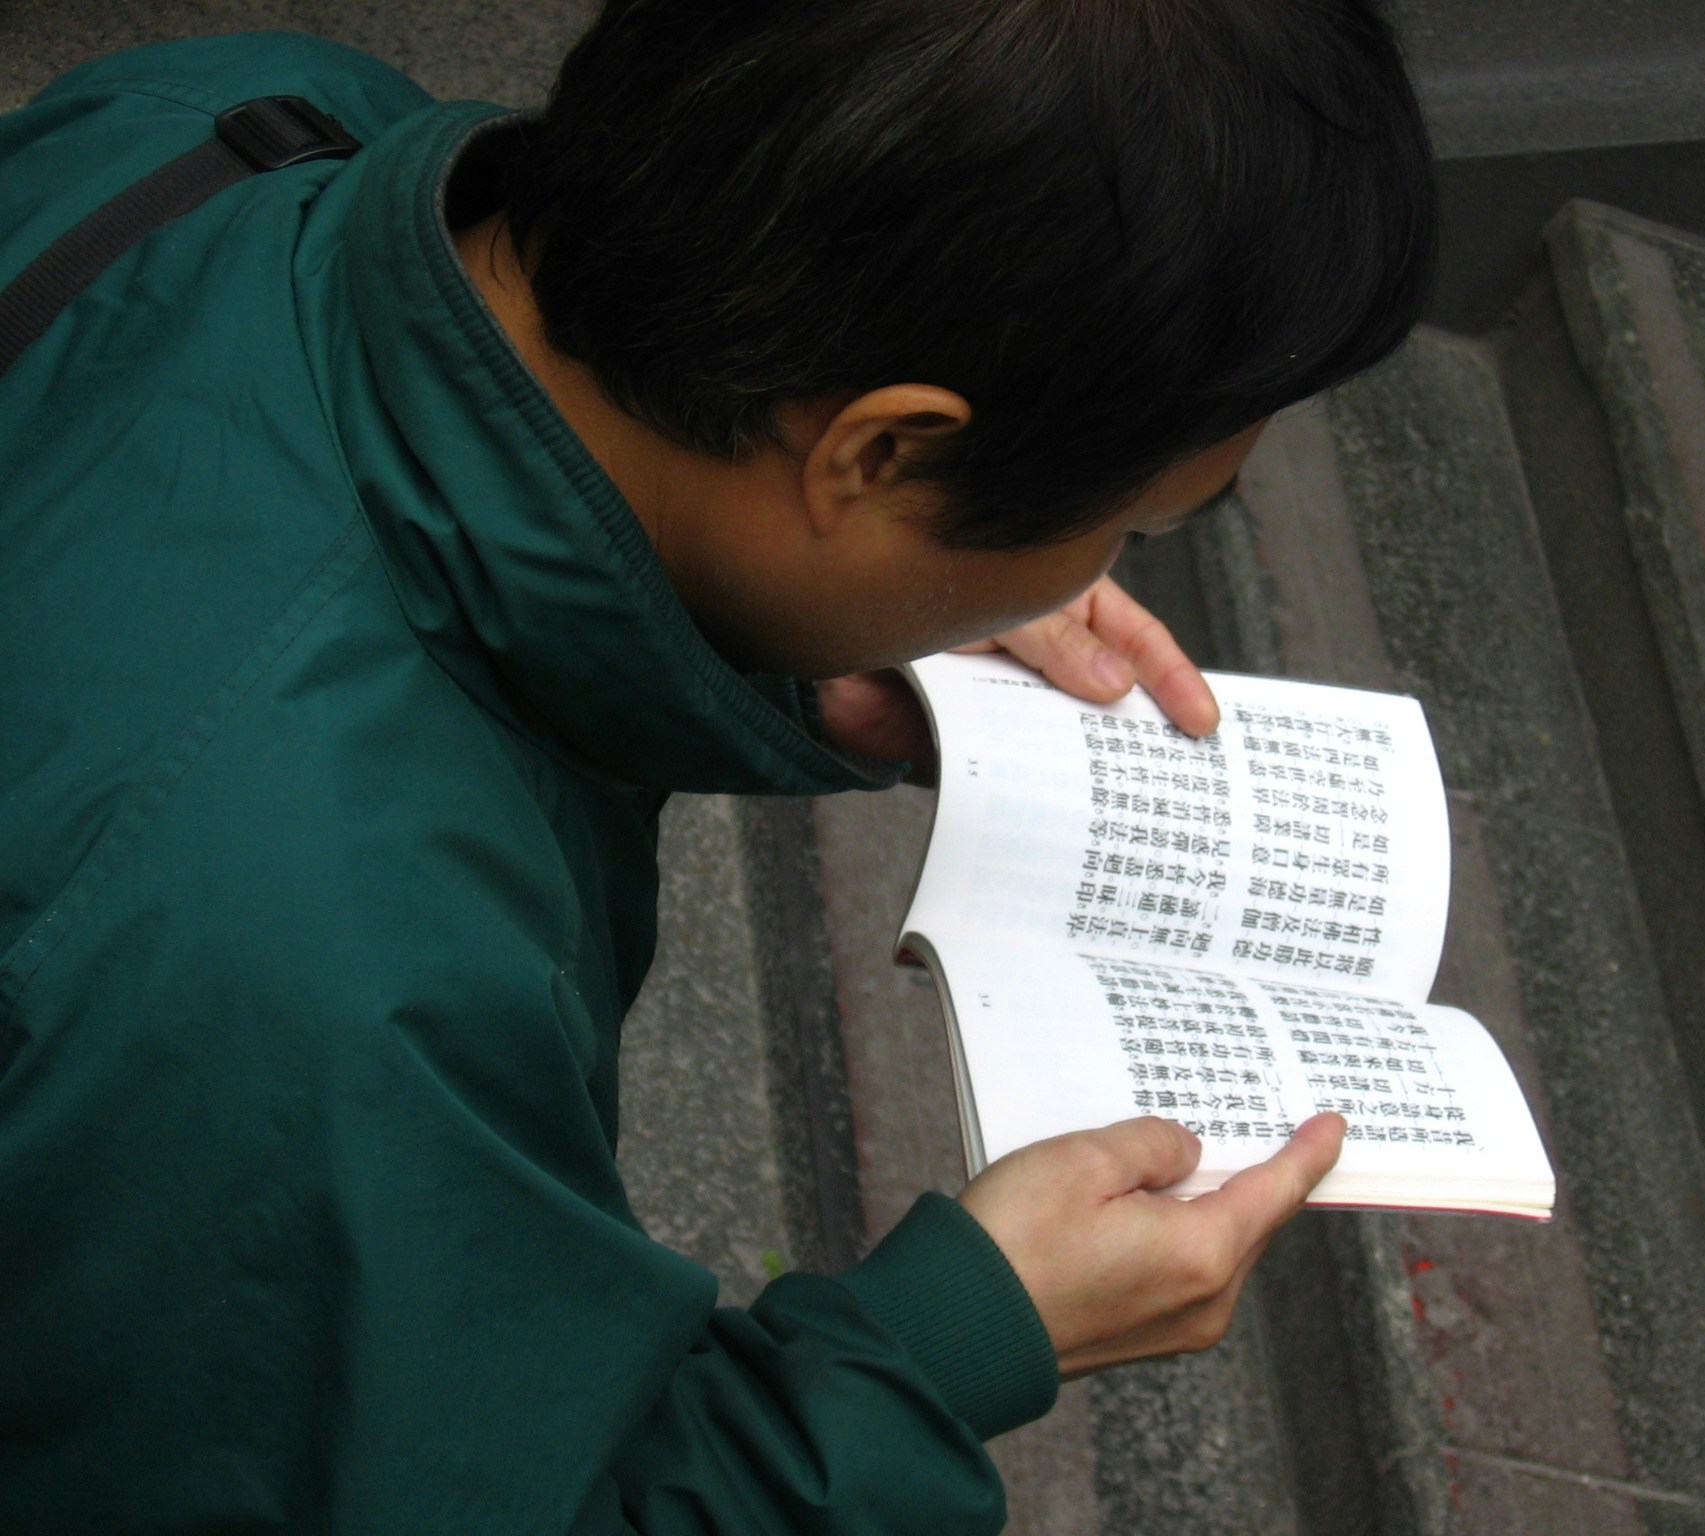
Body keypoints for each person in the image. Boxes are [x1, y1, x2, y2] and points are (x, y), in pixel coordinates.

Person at [0, 1, 1435, 1529]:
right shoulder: (331, 1001)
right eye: (1129, 524)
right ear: (880, 455)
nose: (1091, 577)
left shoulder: (254, 118)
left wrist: (778, 642)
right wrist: (933, 1352)